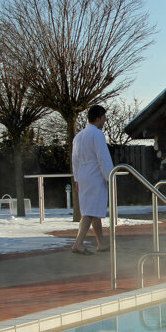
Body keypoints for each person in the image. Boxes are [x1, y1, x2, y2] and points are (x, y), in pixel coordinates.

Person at [71, 105, 114, 254]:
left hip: (83, 175)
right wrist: (110, 176)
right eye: (103, 118)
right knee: (90, 211)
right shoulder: (97, 134)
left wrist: (77, 179)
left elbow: (74, 160)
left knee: (93, 209)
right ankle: (78, 243)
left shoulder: (79, 136)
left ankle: (101, 243)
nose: (104, 121)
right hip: (95, 175)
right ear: (98, 118)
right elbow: (103, 157)